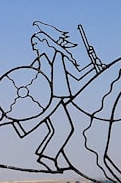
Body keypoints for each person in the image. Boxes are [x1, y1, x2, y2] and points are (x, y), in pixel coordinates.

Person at [17, 22, 95, 170]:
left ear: (44, 42)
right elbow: (31, 80)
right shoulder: (39, 62)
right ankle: (48, 157)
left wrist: (93, 65)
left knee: (64, 128)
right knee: (63, 128)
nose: (33, 47)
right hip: (49, 101)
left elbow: (78, 76)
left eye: (35, 43)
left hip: (57, 99)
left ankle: (48, 156)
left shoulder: (59, 58)